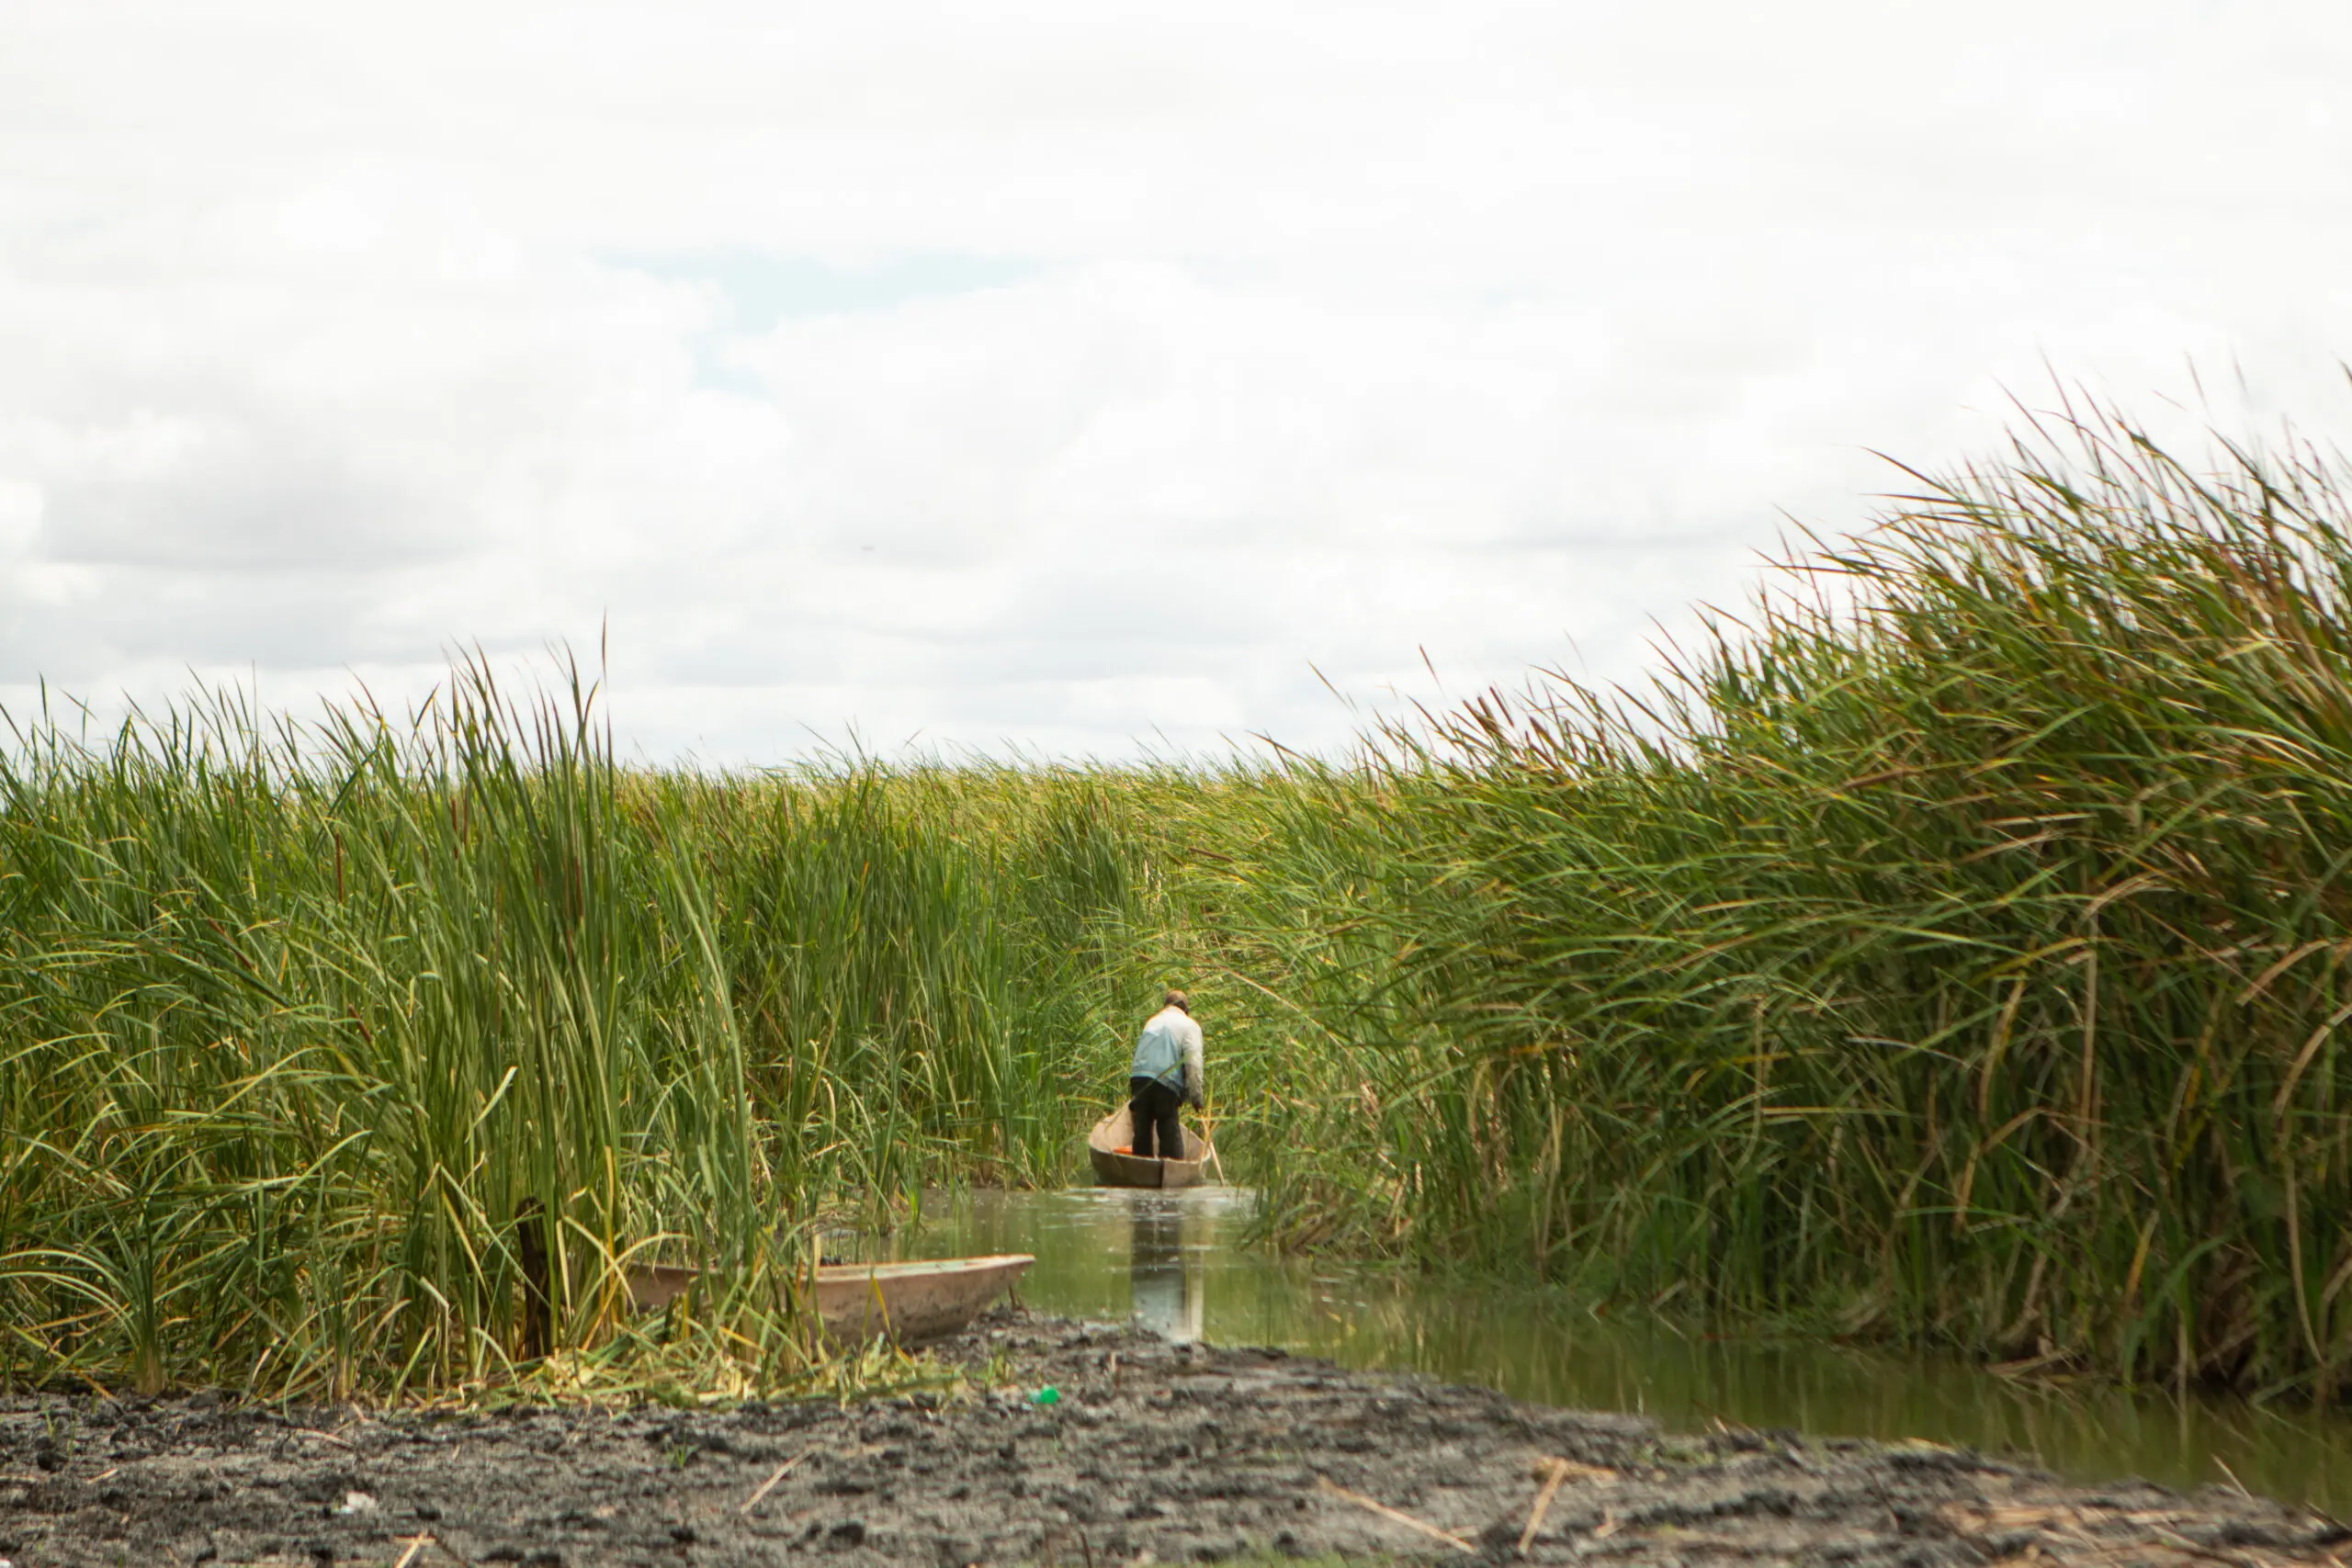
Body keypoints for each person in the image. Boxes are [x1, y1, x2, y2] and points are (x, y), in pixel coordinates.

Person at [1127, 988, 1204, 1161]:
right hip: (1165, 1082)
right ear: (1186, 1010)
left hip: (1139, 1078)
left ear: (1165, 1006)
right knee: (1168, 1129)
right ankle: (1172, 1169)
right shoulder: (1189, 1025)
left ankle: (1141, 1170)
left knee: (1142, 1132)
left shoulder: (1151, 1021)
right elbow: (1193, 1064)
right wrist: (1196, 1097)